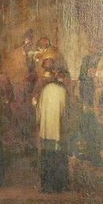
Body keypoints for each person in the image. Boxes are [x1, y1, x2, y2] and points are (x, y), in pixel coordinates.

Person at [34, 60, 69, 192]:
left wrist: (41, 123)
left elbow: (39, 110)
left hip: (46, 131)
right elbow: (67, 113)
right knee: (57, 157)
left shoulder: (46, 89)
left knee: (47, 157)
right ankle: (58, 186)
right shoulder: (63, 91)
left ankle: (46, 186)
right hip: (58, 131)